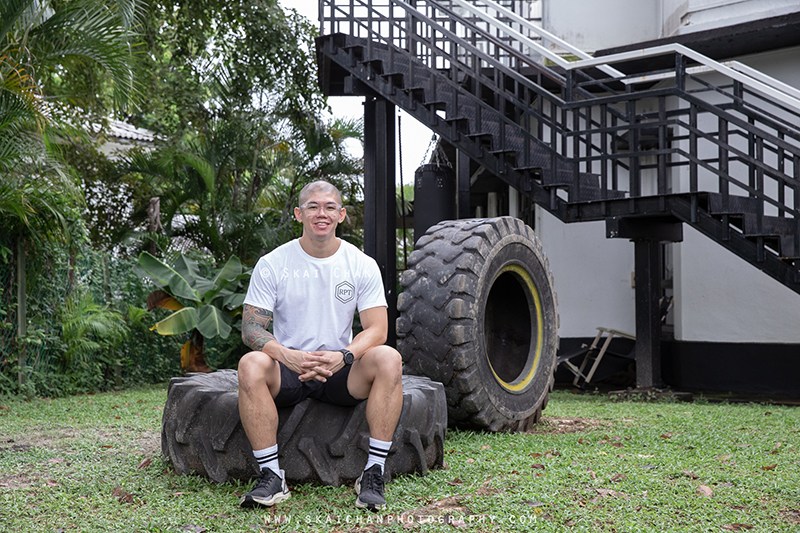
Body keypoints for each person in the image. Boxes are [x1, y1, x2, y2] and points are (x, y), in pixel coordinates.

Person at [237, 180, 403, 511]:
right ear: (299, 214)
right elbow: (251, 327)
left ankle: (373, 473)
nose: (321, 213)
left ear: (341, 215)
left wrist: (344, 356)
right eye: (313, 207)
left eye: (329, 207)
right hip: (288, 369)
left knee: (388, 358)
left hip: (340, 370)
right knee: (250, 364)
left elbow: (377, 329)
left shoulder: (360, 264)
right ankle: (272, 477)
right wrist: (287, 355)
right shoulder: (274, 263)